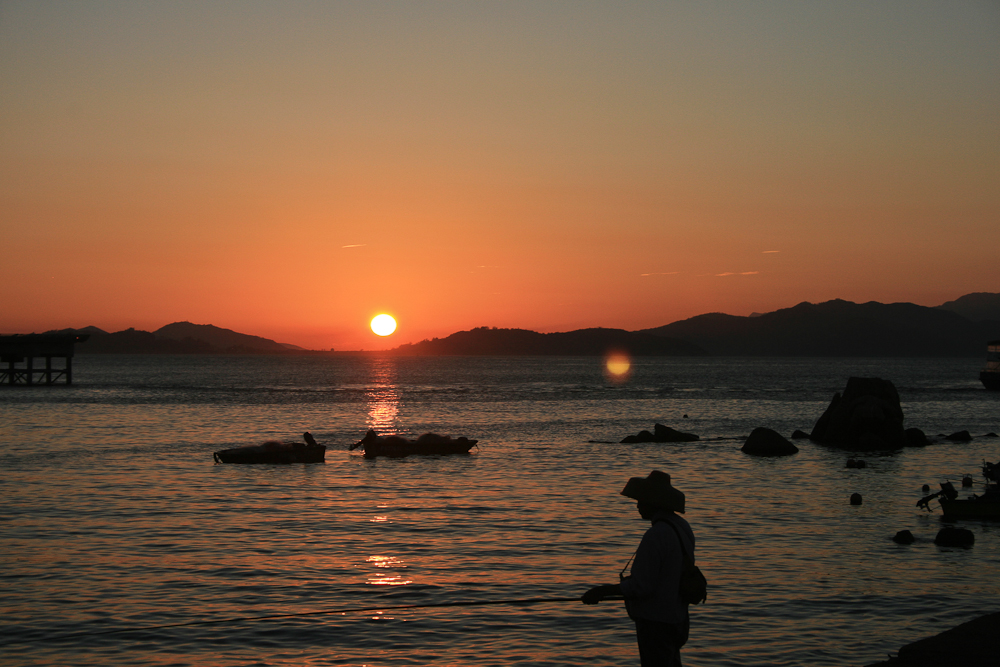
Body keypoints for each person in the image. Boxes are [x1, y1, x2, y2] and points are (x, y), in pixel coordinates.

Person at [582, 470, 695, 666]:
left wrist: (601, 591)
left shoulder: (656, 535)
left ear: (654, 502)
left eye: (642, 500)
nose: (638, 505)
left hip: (657, 623)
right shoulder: (682, 528)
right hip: (678, 618)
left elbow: (642, 587)